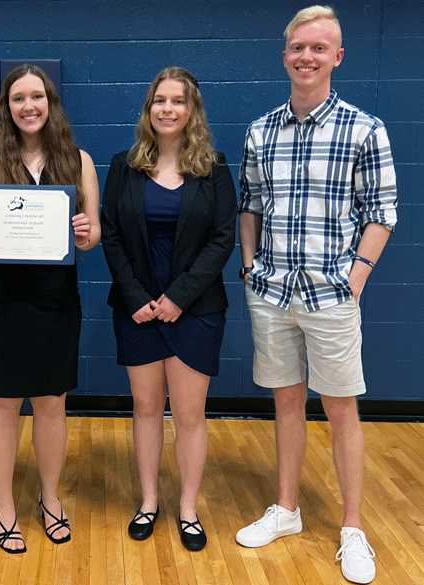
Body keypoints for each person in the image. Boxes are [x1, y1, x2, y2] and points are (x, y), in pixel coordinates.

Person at [235, 6, 397, 584]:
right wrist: (252, 266)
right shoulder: (261, 130)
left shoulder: (364, 128)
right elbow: (249, 205)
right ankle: (287, 510)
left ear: (337, 57)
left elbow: (383, 213)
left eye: (318, 48)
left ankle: (352, 526)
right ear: (285, 56)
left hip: (332, 294)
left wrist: (355, 278)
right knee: (284, 402)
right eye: (298, 48)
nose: (307, 57)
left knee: (340, 406)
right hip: (272, 291)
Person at [0, 64, 100, 553]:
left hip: (54, 300)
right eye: (18, 98)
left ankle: (50, 496)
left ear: (50, 103)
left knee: (51, 402)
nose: (28, 106)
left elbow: (93, 236)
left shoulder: (78, 161)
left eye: (37, 96)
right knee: (2, 403)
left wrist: (85, 233)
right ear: (7, 107)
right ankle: (3, 503)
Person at [101, 67, 236, 550]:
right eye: (159, 99)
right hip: (137, 308)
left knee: (189, 413)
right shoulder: (124, 164)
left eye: (178, 101)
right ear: (148, 108)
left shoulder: (215, 168)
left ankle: (188, 509)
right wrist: (137, 297)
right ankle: (149, 501)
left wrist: (179, 297)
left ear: (192, 110)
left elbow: (223, 240)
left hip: (195, 309)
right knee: (144, 407)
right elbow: (111, 234)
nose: (167, 108)